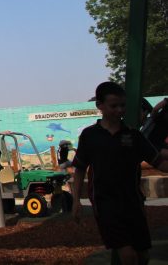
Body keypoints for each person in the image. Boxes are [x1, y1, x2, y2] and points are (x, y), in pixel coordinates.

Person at [72, 82, 168, 265]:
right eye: (113, 106)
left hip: (133, 201)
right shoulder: (90, 136)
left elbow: (159, 162)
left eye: (122, 105)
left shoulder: (134, 136)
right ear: (99, 105)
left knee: (143, 256)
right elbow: (79, 169)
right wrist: (76, 200)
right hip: (106, 203)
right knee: (128, 256)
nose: (119, 110)